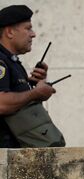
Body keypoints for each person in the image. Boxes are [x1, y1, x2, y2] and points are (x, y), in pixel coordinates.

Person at [0, 5, 55, 148]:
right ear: (10, 32)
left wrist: (34, 84)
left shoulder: (13, 62)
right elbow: (1, 103)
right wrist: (35, 93)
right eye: (28, 28)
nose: (33, 34)